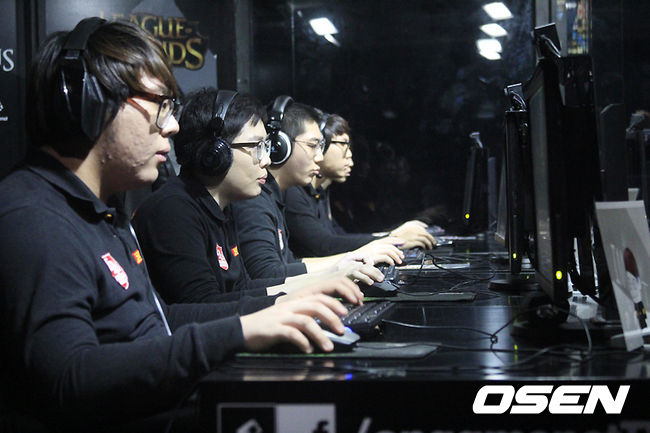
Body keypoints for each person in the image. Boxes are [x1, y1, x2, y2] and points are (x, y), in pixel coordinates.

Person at [0, 18, 361, 430]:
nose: (172, 126)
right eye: (160, 105)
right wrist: (237, 333)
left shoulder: (102, 213)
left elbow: (156, 324)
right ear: (90, 102)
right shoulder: (33, 217)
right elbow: (69, 377)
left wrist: (275, 308)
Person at [132, 87, 382, 304]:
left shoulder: (221, 209)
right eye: (256, 147)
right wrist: (306, 294)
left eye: (267, 147)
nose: (267, 160)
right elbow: (203, 307)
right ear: (215, 153)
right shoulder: (174, 210)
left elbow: (242, 291)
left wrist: (325, 281)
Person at [231, 97, 404, 279]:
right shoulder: (255, 199)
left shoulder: (273, 197)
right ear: (279, 147)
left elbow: (289, 263)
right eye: (313, 146)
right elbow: (268, 273)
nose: (320, 157)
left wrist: (350, 261)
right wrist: (346, 264)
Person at [285, 113, 436, 257]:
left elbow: (339, 236)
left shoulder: (320, 193)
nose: (349, 154)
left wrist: (393, 236)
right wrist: (394, 239)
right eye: (343, 144)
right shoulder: (292, 192)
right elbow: (323, 245)